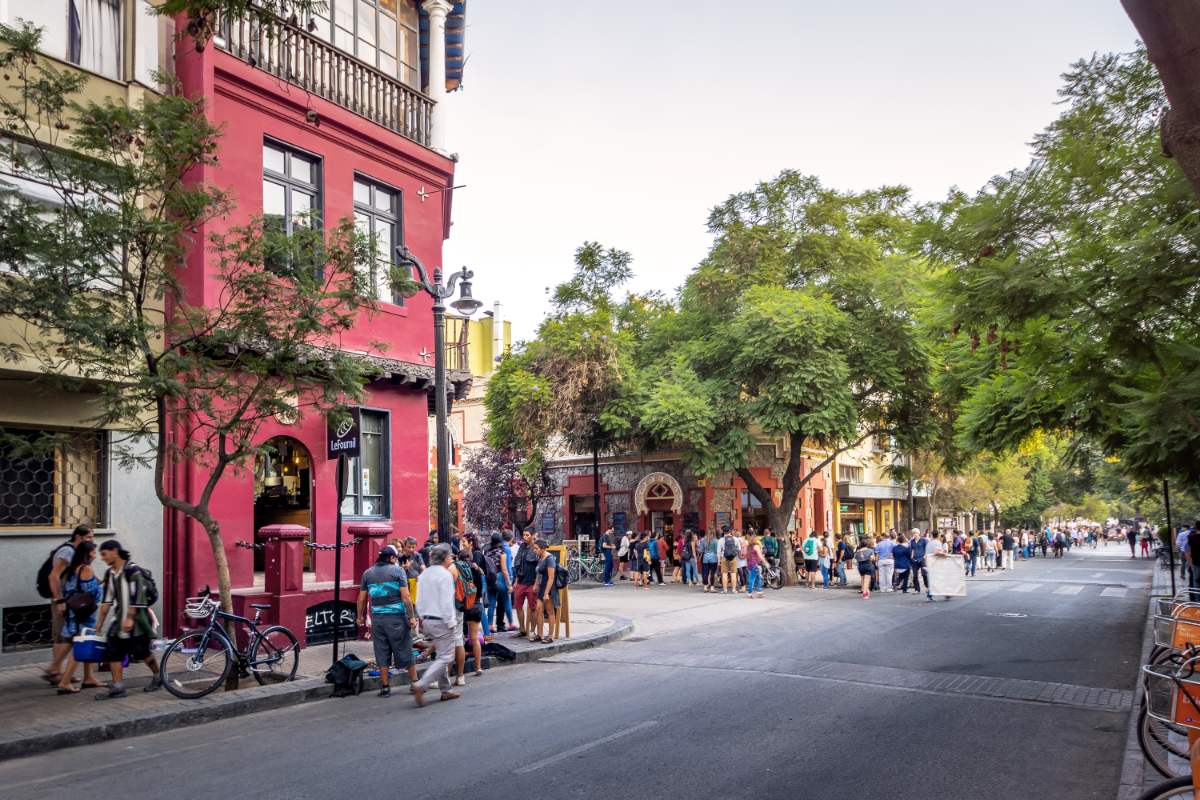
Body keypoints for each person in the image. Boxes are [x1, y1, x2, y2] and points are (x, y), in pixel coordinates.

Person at [93, 540, 161, 699]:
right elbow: (107, 601)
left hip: (138, 621)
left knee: (142, 652)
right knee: (113, 651)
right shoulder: (110, 573)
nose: (102, 558)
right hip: (118, 621)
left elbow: (138, 597)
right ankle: (117, 687)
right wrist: (99, 624)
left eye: (104, 554)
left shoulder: (133, 571)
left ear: (114, 552)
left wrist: (130, 619)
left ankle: (158, 676)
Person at [357, 545, 416, 698]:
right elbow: (406, 597)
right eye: (395, 558)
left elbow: (362, 598)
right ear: (391, 558)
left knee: (381, 651)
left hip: (378, 620)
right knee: (404, 648)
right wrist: (411, 616)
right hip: (396, 618)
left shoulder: (367, 573)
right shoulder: (398, 571)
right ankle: (415, 684)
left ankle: (385, 687)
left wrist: (360, 617)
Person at [43, 524, 94, 686]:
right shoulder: (68, 551)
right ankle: (55, 672)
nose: (91, 541)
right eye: (89, 537)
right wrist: (59, 600)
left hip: (73, 602)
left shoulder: (78, 555)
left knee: (71, 636)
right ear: (79, 537)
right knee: (62, 636)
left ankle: (62, 672)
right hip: (64, 601)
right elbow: (54, 576)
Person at [411, 544, 460, 706]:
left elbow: (418, 599)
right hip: (441, 619)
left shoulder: (424, 574)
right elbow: (446, 602)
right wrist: (451, 621)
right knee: (446, 656)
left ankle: (446, 689)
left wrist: (422, 618)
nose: (451, 559)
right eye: (450, 557)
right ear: (445, 558)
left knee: (441, 654)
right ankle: (421, 684)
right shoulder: (444, 575)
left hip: (427, 619)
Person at [55, 541, 103, 694]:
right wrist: (102, 586)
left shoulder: (72, 569)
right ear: (87, 553)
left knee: (83, 643)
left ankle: (89, 677)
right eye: (94, 552)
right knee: (80, 647)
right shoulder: (86, 569)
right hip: (84, 614)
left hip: (73, 612)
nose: (95, 556)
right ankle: (65, 682)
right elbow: (92, 593)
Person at [454, 536, 486, 681]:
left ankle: (458, 672)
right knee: (475, 637)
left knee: (458, 638)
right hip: (477, 603)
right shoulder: (477, 569)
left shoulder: (458, 570)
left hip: (464, 605)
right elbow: (482, 587)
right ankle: (478, 667)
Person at [512, 529, 540, 636]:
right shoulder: (522, 547)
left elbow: (539, 567)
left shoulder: (536, 548)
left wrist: (537, 583)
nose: (524, 537)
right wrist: (516, 580)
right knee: (518, 605)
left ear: (533, 536)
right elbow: (518, 564)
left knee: (533, 607)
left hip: (532, 582)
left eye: (527, 535)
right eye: (523, 535)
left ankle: (532, 631)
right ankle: (522, 629)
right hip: (521, 581)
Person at [533, 538, 560, 643]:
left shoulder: (549, 559)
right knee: (538, 610)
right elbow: (538, 573)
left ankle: (550, 636)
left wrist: (546, 593)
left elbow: (551, 577)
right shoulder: (540, 558)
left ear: (543, 549)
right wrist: (536, 584)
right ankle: (540, 634)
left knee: (550, 612)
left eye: (536, 549)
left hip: (549, 589)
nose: (534, 550)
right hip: (541, 587)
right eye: (534, 548)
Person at [484, 533, 511, 635]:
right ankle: (508, 623)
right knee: (505, 600)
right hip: (499, 577)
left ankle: (490, 625)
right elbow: (504, 569)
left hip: (490, 579)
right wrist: (509, 583)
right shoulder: (502, 552)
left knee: (491, 604)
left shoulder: (487, 552)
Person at [743, 533, 766, 598]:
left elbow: (744, 554)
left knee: (758, 577)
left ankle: (759, 592)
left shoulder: (748, 547)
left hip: (749, 564)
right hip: (754, 564)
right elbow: (760, 556)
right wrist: (765, 562)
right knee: (752, 579)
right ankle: (749, 594)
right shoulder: (756, 546)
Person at [719, 527, 739, 594]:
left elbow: (718, 551)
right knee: (733, 573)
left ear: (724, 532)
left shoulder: (721, 540)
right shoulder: (735, 539)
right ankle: (734, 590)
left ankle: (725, 590)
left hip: (724, 557)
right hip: (733, 558)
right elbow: (739, 549)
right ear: (730, 531)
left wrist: (719, 560)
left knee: (724, 574)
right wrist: (734, 554)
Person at [910, 529, 929, 594]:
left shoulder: (924, 540)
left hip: (922, 558)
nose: (914, 534)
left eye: (915, 533)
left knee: (924, 574)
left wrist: (925, 555)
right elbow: (912, 549)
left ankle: (927, 587)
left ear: (919, 533)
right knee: (915, 575)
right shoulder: (912, 541)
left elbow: (927, 548)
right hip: (915, 559)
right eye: (913, 533)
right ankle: (917, 589)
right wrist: (911, 557)